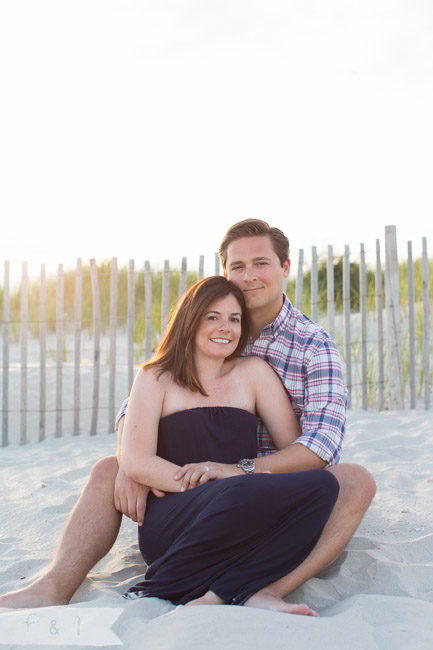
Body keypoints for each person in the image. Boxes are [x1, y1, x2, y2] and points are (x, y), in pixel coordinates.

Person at [0, 219, 375, 611]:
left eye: (261, 263)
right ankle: (54, 585)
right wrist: (133, 464)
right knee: (106, 469)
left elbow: (319, 448)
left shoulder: (310, 346)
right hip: (182, 483)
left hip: (265, 481)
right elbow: (135, 408)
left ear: (284, 268)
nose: (248, 277)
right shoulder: (183, 354)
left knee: (352, 480)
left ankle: (267, 589)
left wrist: (239, 471)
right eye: (237, 267)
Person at [118, 275, 339, 613]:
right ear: (190, 321)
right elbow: (135, 460)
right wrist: (205, 479)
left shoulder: (254, 372)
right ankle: (158, 585)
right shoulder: (154, 377)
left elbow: (294, 448)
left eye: (234, 319)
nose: (226, 327)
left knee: (323, 485)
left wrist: (232, 473)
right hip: (175, 515)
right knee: (238, 492)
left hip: (241, 503)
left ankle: (223, 592)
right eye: (213, 317)